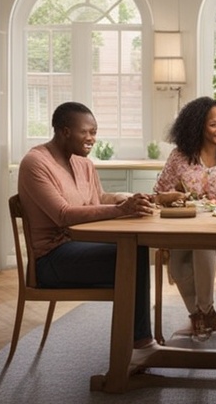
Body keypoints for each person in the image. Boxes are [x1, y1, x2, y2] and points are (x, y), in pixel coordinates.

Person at [17, 102, 157, 358]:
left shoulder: (83, 164)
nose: (93, 139)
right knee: (132, 256)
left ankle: (136, 340)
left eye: (95, 132)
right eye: (87, 132)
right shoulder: (35, 163)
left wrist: (132, 198)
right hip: (52, 260)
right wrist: (121, 210)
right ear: (64, 131)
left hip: (79, 246)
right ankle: (140, 343)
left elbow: (99, 198)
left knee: (137, 247)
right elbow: (63, 215)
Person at [154, 96, 216, 337]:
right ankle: (202, 317)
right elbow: (159, 193)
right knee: (177, 267)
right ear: (198, 126)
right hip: (187, 224)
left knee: (202, 244)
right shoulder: (180, 156)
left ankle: (204, 311)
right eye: (213, 124)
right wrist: (174, 196)